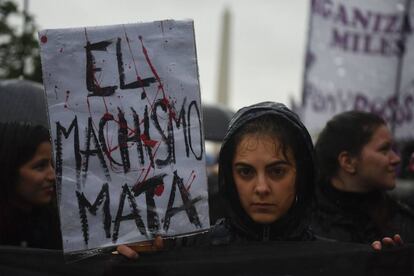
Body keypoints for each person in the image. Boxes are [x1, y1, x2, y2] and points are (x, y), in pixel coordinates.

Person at [117, 101, 317, 257]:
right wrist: (131, 260)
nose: (262, 188)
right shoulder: (188, 251)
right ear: (229, 176)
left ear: (301, 174)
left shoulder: (335, 259)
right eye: (246, 172)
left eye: (277, 172)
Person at [311, 111, 414, 249]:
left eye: (393, 149)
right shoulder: (304, 225)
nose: (396, 159)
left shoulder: (402, 219)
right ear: (348, 162)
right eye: (384, 150)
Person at [0, 122, 62, 249]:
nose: (53, 176)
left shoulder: (56, 225)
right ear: (9, 169)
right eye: (40, 166)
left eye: (52, 164)